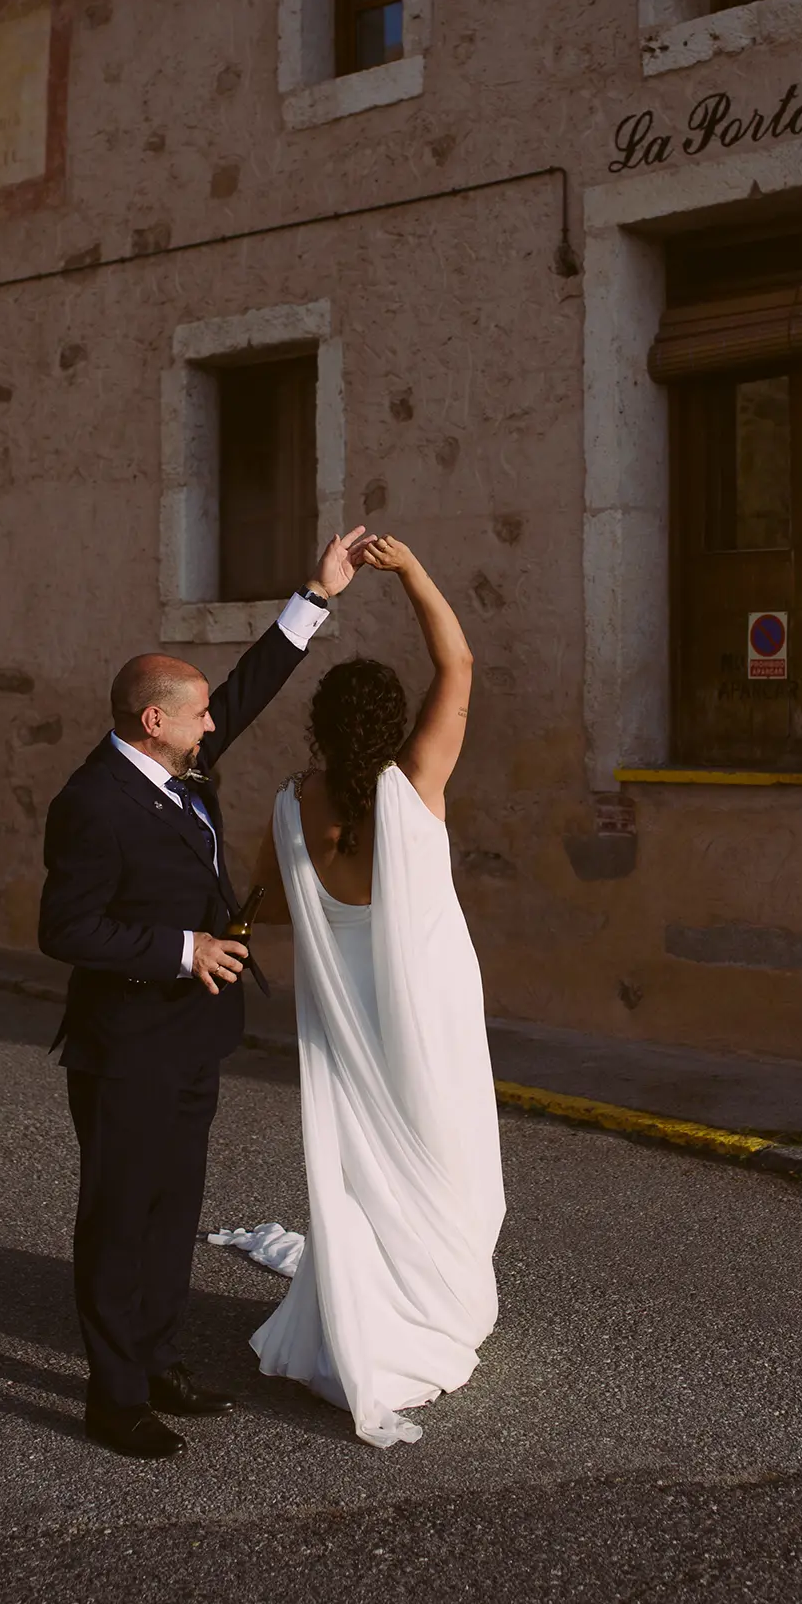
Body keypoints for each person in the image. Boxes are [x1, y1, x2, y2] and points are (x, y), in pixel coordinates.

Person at [38, 527, 372, 1460]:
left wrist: (316, 595)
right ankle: (113, 1400)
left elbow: (242, 693)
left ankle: (155, 1363)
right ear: (155, 721)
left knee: (173, 1211)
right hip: (126, 1046)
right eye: (196, 719)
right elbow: (64, 930)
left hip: (191, 1038)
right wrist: (184, 949)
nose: (212, 727)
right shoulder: (92, 802)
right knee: (120, 1220)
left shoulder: (177, 765)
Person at [245, 534, 505, 1448]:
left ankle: (363, 1314)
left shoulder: (290, 805)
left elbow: (264, 897)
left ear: (318, 727)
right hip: (427, 1015)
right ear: (393, 724)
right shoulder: (415, 782)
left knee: (363, 1171)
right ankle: (427, 1312)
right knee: (446, 1162)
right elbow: (458, 663)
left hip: (346, 1016)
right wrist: (413, 573)